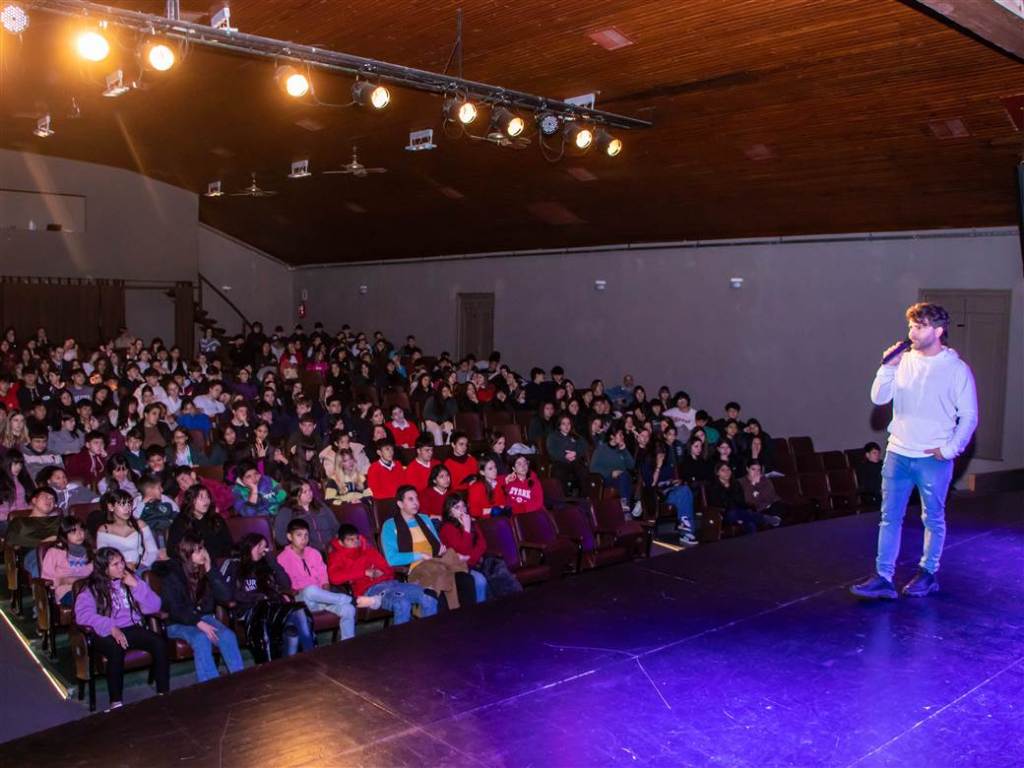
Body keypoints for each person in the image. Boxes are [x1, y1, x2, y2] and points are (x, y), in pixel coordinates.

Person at [851, 303, 977, 600]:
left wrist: (949, 450)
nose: (912, 332)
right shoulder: (902, 361)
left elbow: (969, 416)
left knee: (932, 518)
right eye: (911, 326)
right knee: (888, 517)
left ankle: (928, 573)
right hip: (898, 453)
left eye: (919, 327)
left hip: (932, 458)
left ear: (938, 331)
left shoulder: (956, 370)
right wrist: (887, 367)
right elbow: (879, 397)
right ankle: (883, 577)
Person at [74, 547, 169, 710]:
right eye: (115, 564)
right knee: (116, 650)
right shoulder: (91, 588)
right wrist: (110, 626)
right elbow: (82, 616)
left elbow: (155, 606)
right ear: (104, 569)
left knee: (159, 643)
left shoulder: (130, 580)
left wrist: (138, 586)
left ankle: (164, 693)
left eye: (122, 562)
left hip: (131, 627)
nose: (121, 567)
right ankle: (116, 702)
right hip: (104, 632)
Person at [159, 532, 244, 683]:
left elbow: (225, 596)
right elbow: (175, 608)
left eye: (203, 548)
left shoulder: (205, 570)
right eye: (198, 550)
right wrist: (198, 622)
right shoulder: (172, 574)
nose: (203, 553)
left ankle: (240, 680)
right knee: (200, 638)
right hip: (178, 622)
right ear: (187, 553)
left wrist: (210, 569)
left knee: (228, 636)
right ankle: (210, 685)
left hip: (202, 618)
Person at [277, 519, 380, 641]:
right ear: (289, 536)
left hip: (323, 598)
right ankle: (354, 600)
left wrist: (325, 589)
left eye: (306, 535)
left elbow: (323, 576)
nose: (303, 539)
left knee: (348, 609)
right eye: (299, 535)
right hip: (301, 601)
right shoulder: (282, 558)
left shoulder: (314, 553)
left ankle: (348, 644)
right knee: (310, 590)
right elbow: (285, 586)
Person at [219, 533, 314, 663]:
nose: (262, 550)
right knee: (273, 613)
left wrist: (272, 561)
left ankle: (307, 657)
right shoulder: (233, 564)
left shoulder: (266, 564)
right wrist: (260, 597)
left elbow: (286, 584)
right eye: (259, 545)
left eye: (264, 547)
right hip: (250, 611)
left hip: (272, 608)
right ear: (249, 546)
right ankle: (277, 666)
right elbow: (228, 593)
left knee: (299, 611)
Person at [380, 485, 472, 610]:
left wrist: (441, 549)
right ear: (400, 504)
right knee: (442, 581)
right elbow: (392, 559)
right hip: (417, 569)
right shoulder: (390, 525)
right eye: (411, 499)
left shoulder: (424, 519)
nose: (416, 503)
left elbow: (437, 545)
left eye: (417, 498)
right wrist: (420, 555)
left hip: (436, 562)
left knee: (466, 580)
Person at [326, 523, 438, 625]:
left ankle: (428, 639)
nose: (355, 542)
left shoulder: (368, 550)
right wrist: (364, 573)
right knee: (402, 603)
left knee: (429, 596)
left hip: (391, 584)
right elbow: (334, 578)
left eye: (356, 539)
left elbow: (388, 568)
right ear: (341, 542)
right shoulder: (337, 556)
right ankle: (404, 644)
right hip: (371, 590)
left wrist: (380, 572)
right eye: (350, 540)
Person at [639, 440, 697, 544]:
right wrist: (658, 467)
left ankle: (686, 529)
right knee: (683, 492)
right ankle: (686, 530)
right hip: (657, 496)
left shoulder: (667, 466)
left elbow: (670, 479)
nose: (662, 456)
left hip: (670, 491)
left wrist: (674, 482)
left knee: (685, 489)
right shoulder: (646, 466)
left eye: (664, 454)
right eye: (660, 454)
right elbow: (651, 484)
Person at [96, 489, 160, 573]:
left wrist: (142, 565)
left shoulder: (140, 524)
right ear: (111, 507)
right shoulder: (104, 530)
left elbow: (152, 551)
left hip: (140, 567)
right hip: (116, 570)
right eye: (122, 504)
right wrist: (122, 567)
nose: (127, 509)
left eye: (129, 504)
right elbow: (102, 558)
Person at [438, 495, 489, 602]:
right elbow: (462, 551)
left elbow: (482, 545)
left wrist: (471, 559)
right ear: (449, 511)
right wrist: (466, 529)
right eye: (457, 507)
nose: (462, 510)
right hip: (457, 567)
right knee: (480, 580)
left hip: (474, 562)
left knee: (499, 574)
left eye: (463, 506)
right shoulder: (447, 528)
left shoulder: (470, 522)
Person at [706, 462, 780, 534]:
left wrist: (740, 515)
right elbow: (717, 504)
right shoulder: (713, 487)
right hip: (724, 514)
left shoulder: (736, 484)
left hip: (740, 512)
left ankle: (754, 543)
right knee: (733, 513)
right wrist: (738, 513)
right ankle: (765, 518)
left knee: (750, 523)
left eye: (728, 469)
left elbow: (741, 501)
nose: (726, 472)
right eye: (723, 470)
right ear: (717, 473)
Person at [166, 484, 233, 560]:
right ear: (191, 500)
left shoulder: (216, 519)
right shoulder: (181, 522)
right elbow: (171, 550)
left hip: (218, 562)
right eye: (201, 497)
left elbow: (229, 544)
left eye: (207, 497)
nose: (206, 501)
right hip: (192, 566)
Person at [5, 487, 61, 578]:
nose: (49, 500)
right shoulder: (20, 521)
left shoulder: (58, 520)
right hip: (33, 554)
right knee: (43, 566)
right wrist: (45, 542)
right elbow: (11, 543)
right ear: (34, 500)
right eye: (45, 497)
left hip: (60, 552)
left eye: (52, 499)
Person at [42, 516, 95, 605]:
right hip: (66, 591)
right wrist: (65, 580)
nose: (79, 534)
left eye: (81, 530)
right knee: (84, 601)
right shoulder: (55, 552)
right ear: (64, 534)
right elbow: (46, 579)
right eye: (73, 531)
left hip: (89, 588)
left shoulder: (90, 551)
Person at [274, 480, 337, 552]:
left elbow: (335, 526)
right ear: (295, 496)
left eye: (310, 490)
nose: (309, 494)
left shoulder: (320, 505)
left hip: (330, 547)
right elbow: (281, 538)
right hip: (306, 551)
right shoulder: (286, 512)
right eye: (305, 492)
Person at [589, 425, 636, 512]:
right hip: (606, 479)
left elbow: (631, 465)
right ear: (612, 436)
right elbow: (593, 468)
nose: (623, 437)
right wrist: (611, 473)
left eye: (622, 434)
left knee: (625, 476)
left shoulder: (622, 450)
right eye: (620, 434)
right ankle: (627, 508)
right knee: (624, 478)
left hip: (621, 479)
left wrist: (624, 450)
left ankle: (625, 506)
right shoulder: (601, 449)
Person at [546, 415, 589, 497]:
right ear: (559, 425)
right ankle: (563, 499)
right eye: (563, 424)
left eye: (568, 424)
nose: (566, 426)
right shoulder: (553, 436)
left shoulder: (575, 435)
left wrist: (576, 453)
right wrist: (565, 456)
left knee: (584, 471)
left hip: (575, 460)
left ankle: (583, 497)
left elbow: (584, 445)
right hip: (560, 461)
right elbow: (552, 450)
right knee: (560, 474)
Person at [855, 442, 883, 509]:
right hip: (872, 495)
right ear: (867, 455)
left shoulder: (882, 465)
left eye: (878, 453)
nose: (877, 455)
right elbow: (866, 484)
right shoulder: (863, 467)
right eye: (874, 453)